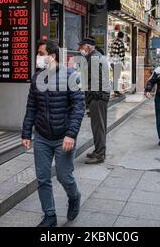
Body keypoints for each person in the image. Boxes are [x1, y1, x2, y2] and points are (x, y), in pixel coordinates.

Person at [21, 39, 85, 227]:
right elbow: (32, 106)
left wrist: (71, 134)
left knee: (65, 176)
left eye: (41, 54)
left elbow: (78, 108)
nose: (38, 58)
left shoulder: (71, 76)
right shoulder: (37, 78)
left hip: (63, 136)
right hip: (41, 136)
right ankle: (49, 215)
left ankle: (74, 197)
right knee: (42, 178)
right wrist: (26, 133)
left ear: (52, 56)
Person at [78, 37, 111, 164]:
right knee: (98, 126)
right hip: (99, 96)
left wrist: (91, 97)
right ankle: (98, 150)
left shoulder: (94, 58)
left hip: (98, 97)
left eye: (82, 47)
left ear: (89, 47)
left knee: (98, 126)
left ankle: (99, 154)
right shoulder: (96, 56)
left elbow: (96, 80)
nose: (80, 49)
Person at [109, 25, 126, 97]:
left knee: (114, 76)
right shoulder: (120, 43)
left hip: (112, 61)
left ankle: (115, 90)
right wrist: (123, 63)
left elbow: (111, 52)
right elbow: (122, 54)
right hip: (117, 62)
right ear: (122, 37)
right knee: (116, 77)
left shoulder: (114, 41)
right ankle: (115, 90)